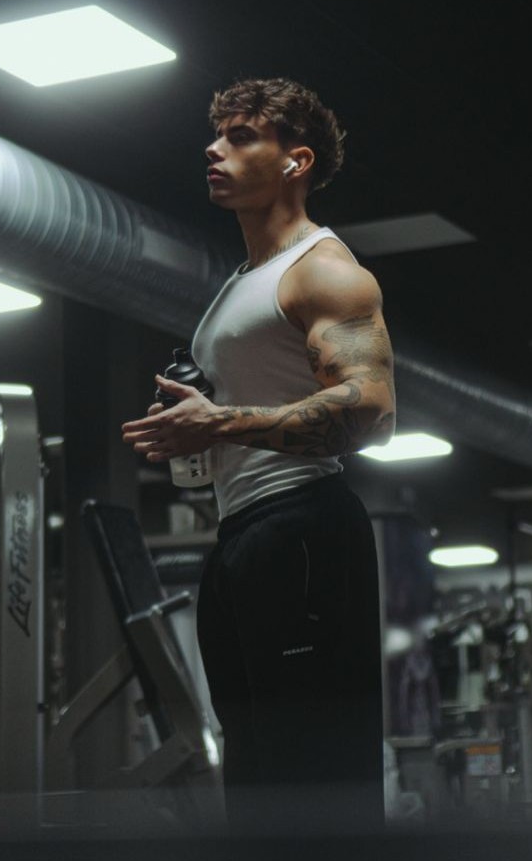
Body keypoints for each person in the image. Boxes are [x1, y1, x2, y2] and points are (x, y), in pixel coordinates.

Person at [122, 78, 396, 832]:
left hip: (305, 528)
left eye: (242, 137)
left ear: (295, 162)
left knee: (313, 776)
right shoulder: (243, 281)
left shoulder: (324, 269)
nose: (215, 149)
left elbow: (370, 409)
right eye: (217, 136)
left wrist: (222, 423)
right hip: (244, 532)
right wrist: (193, 425)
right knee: (254, 771)